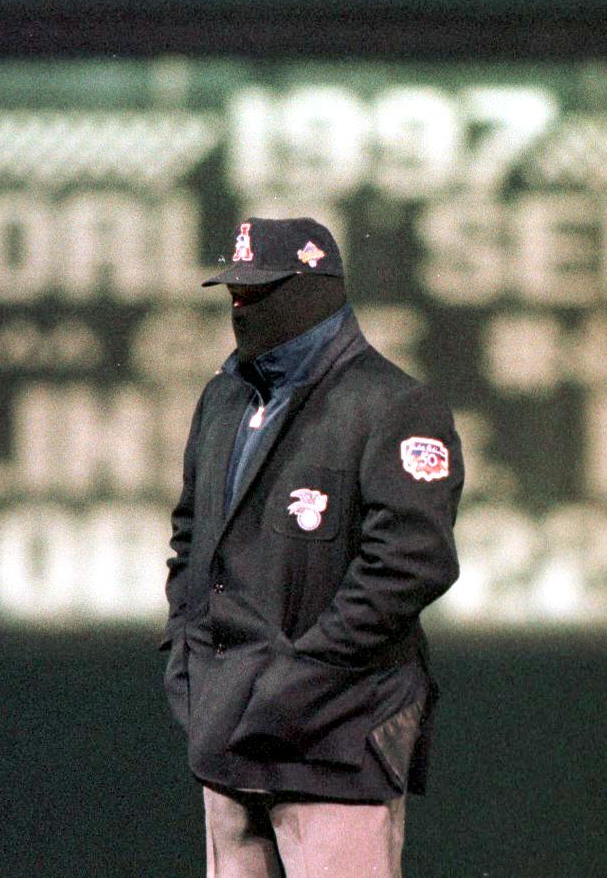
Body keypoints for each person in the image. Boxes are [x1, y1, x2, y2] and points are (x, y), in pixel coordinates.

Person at [160, 217, 463, 877]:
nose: (241, 304)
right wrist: (190, 661)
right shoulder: (225, 400)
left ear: (312, 288)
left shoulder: (390, 405)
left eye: (259, 289)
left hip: (336, 741)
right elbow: (193, 537)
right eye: (234, 289)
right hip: (230, 740)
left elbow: (412, 564)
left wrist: (300, 679)